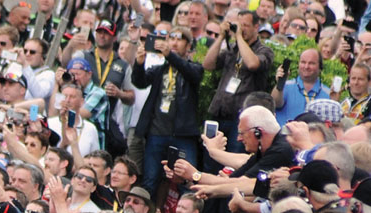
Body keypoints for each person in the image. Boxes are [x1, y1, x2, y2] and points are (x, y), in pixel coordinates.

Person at [132, 26, 203, 198]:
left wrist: (169, 55)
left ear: (188, 46)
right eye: (171, 38)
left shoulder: (194, 67)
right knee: (150, 180)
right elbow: (139, 82)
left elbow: (193, 75)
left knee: (189, 182)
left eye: (179, 39)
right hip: (156, 133)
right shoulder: (159, 69)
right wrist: (139, 64)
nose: (174, 42)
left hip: (183, 134)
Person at [203, 11, 274, 152]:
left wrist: (239, 37)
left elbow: (253, 64)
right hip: (220, 113)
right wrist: (221, 36)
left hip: (242, 119)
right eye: (239, 25)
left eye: (246, 25)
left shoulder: (264, 50)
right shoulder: (232, 50)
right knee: (211, 158)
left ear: (256, 27)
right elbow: (208, 64)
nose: (242, 29)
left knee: (233, 162)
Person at [272, 49, 329, 126]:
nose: (306, 66)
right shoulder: (286, 86)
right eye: (303, 62)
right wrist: (280, 83)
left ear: (320, 67)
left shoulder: (327, 93)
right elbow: (275, 103)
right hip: (286, 135)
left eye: (311, 63)